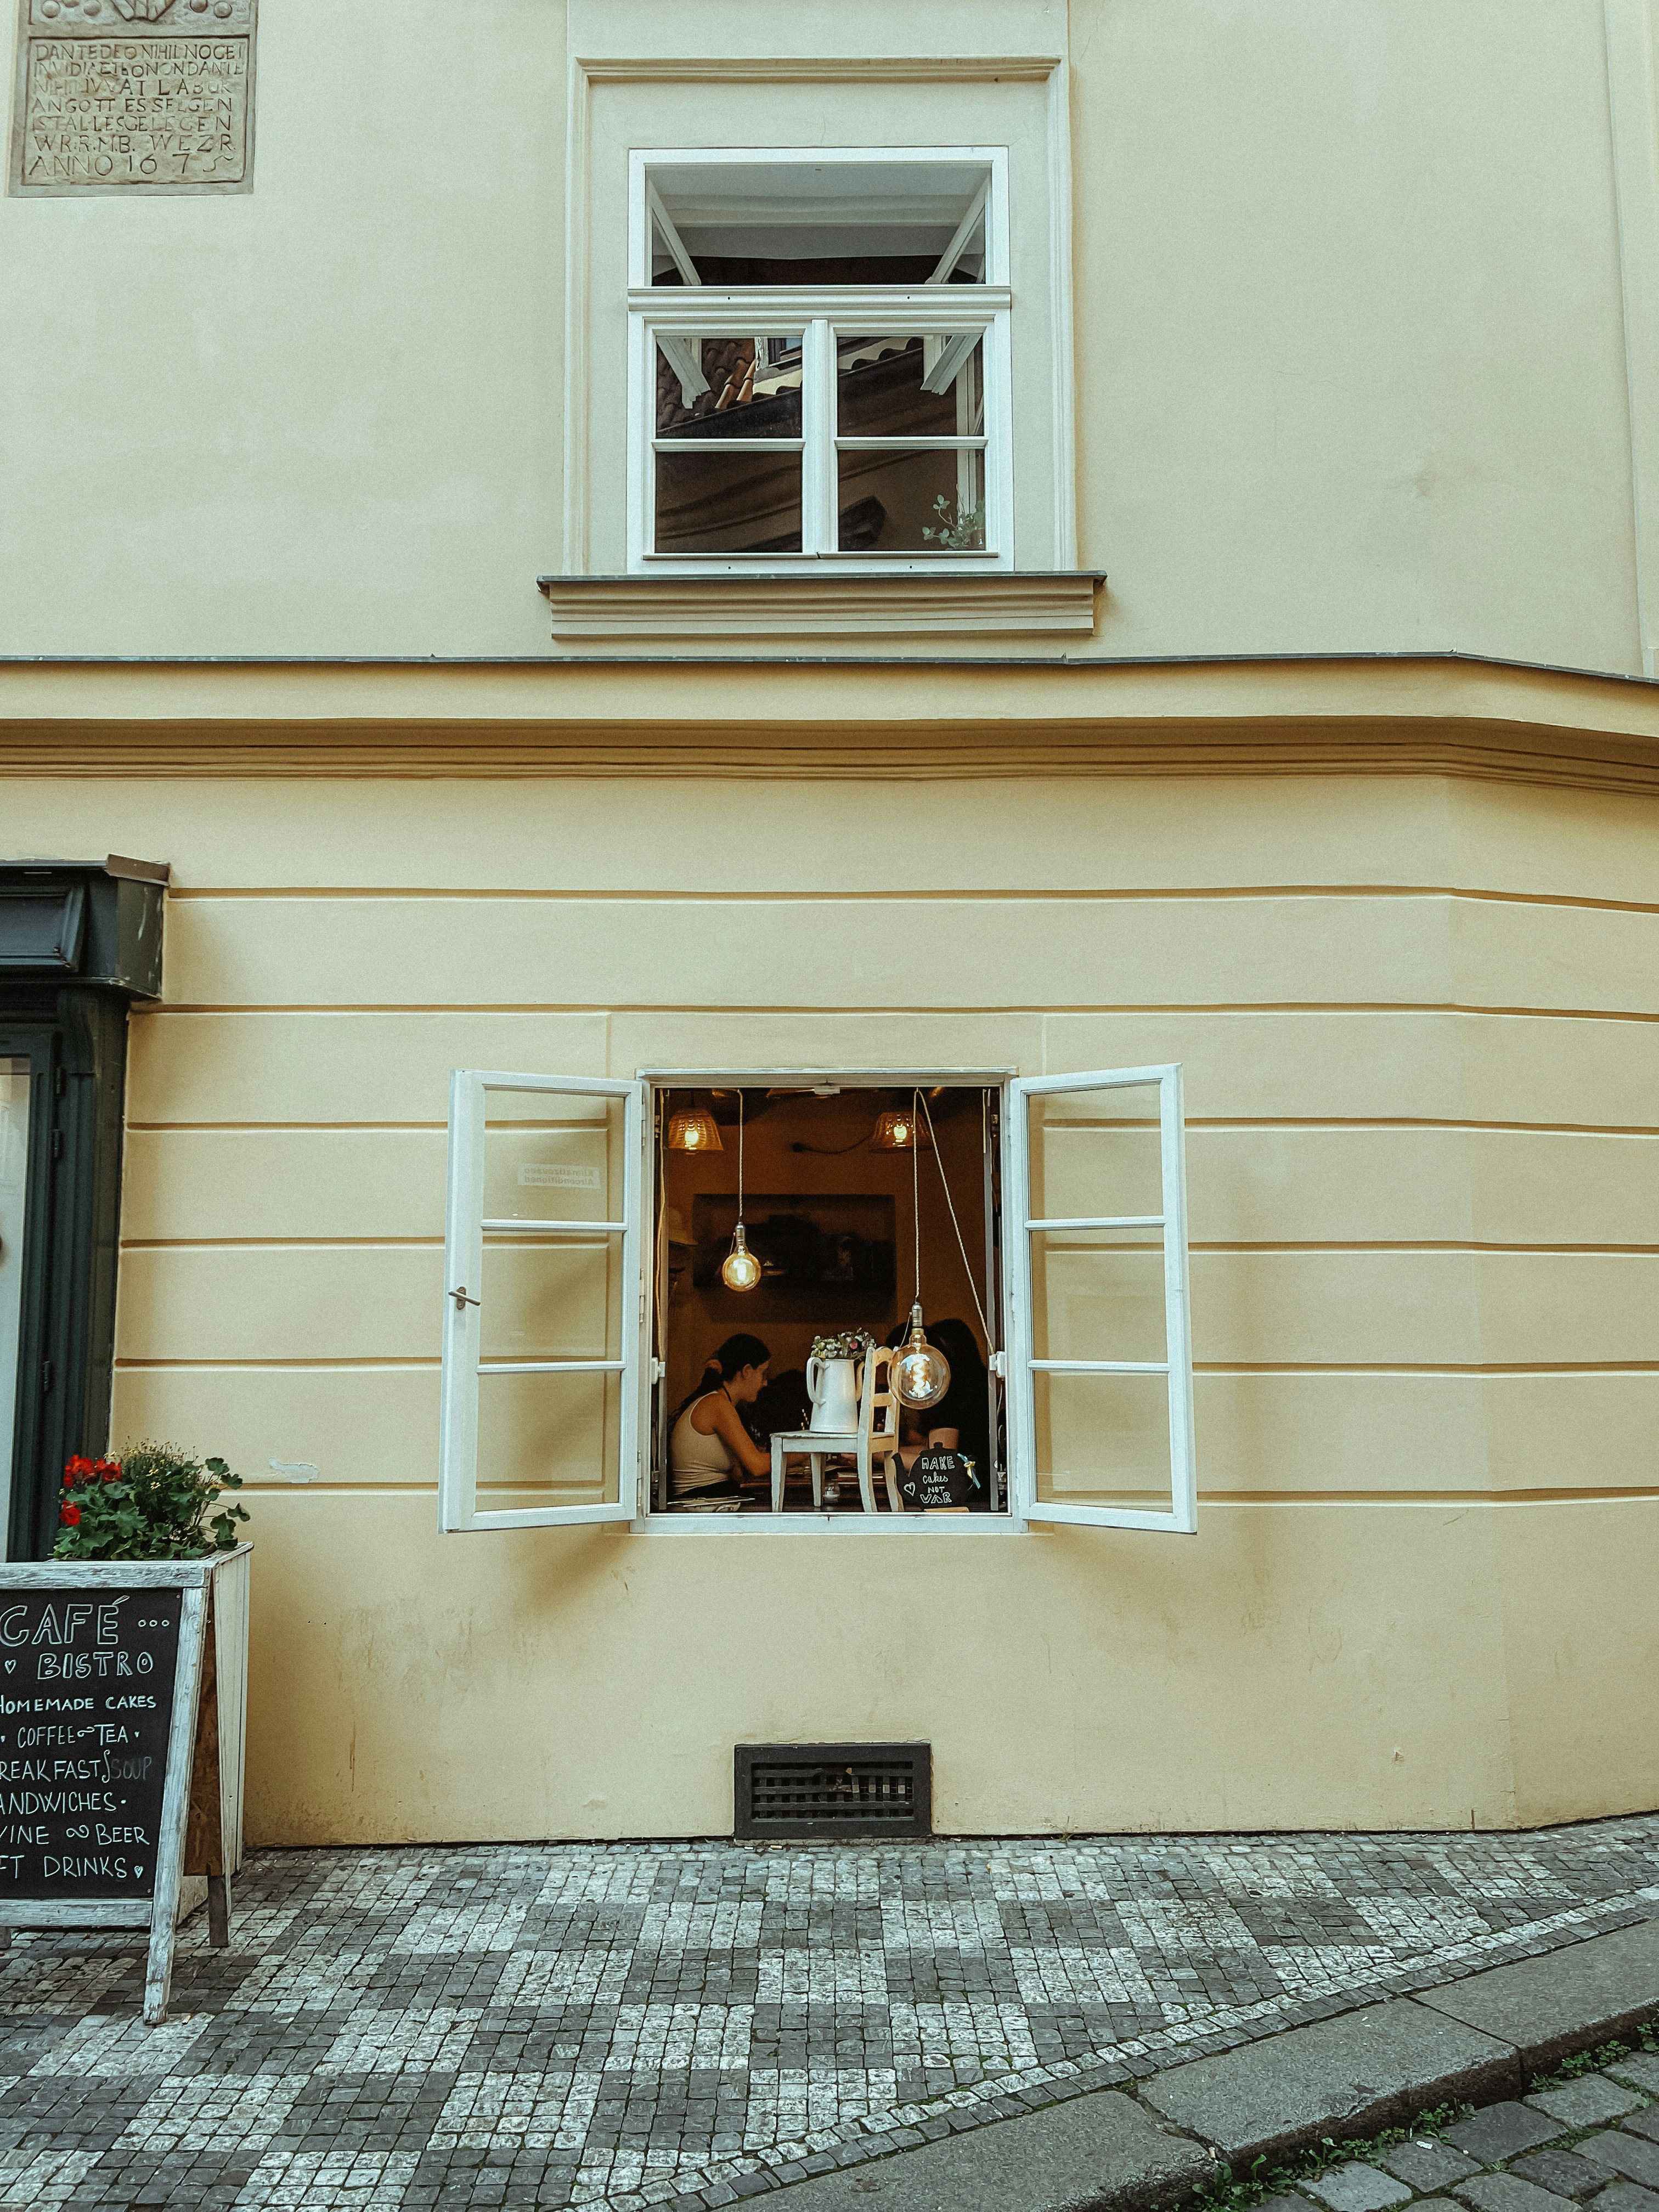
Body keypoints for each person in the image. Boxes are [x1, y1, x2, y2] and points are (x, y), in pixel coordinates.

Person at [883, 1314, 994, 1508]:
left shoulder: (952, 1394)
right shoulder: (975, 1387)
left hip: (968, 1495)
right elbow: (931, 1447)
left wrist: (877, 1454)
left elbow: (939, 1461)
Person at [669, 1333, 773, 1504]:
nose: (765, 1383)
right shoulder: (717, 1405)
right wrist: (802, 1451)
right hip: (701, 1505)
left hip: (710, 1501)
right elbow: (757, 1466)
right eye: (764, 1373)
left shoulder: (722, 1403)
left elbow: (740, 1474)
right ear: (747, 1371)